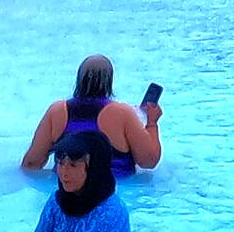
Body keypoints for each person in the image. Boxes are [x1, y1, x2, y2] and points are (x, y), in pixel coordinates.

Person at [0, 131, 137, 232]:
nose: (64, 173)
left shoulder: (112, 211)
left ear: (93, 170)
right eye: (60, 163)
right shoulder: (56, 201)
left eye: (73, 165)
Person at [21, 55, 162, 178]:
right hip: (114, 194)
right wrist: (152, 123)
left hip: (69, 197)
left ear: (79, 79)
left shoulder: (57, 111)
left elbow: (31, 163)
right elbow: (149, 161)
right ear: (109, 82)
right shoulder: (123, 113)